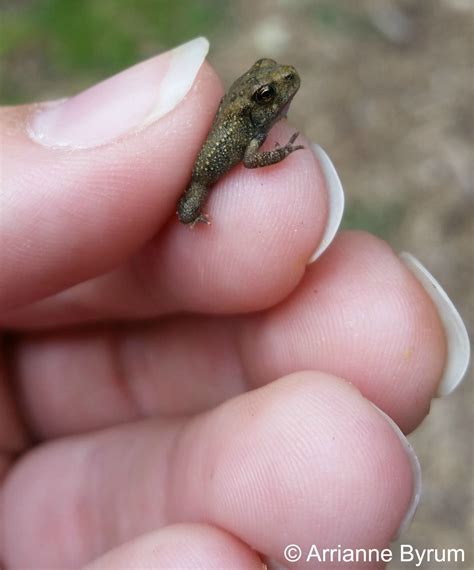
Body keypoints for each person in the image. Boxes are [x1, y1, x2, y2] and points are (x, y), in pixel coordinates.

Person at [0, 37, 469, 569]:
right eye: (270, 88)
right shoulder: (245, 130)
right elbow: (249, 160)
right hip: (197, 179)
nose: (283, 86)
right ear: (256, 104)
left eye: (272, 84)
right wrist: (281, 155)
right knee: (191, 206)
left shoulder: (247, 117)